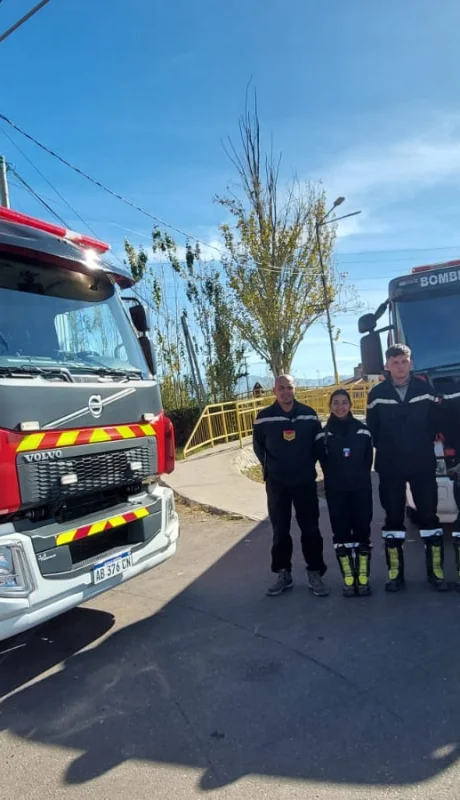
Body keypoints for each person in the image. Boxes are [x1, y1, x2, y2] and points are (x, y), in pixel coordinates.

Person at [366, 344, 445, 592]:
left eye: (404, 361)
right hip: (390, 466)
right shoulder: (376, 394)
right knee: (393, 519)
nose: (400, 366)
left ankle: (436, 573)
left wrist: (418, 444)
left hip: (422, 463)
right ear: (387, 366)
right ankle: (395, 575)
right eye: (395, 362)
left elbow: (435, 422)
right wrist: (393, 448)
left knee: (429, 517)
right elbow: (374, 430)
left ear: (411, 363)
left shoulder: (425, 390)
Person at [253, 374, 328, 598]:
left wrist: (308, 467)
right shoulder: (264, 418)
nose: (286, 392)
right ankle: (283, 573)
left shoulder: (309, 415)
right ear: (274, 391)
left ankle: (315, 573)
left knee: (311, 529)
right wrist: (271, 470)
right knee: (280, 530)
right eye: (281, 388)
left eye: (290, 387)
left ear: (296, 389)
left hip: (304, 481)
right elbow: (259, 448)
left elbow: (318, 446)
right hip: (277, 484)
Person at [316, 389, 373, 597]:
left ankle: (363, 578)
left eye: (344, 402)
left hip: (361, 491)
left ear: (350, 405)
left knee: (362, 532)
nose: (340, 407)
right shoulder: (323, 435)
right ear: (330, 406)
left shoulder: (363, 431)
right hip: (336, 493)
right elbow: (323, 462)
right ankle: (349, 579)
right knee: (341, 535)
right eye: (336, 403)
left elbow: (368, 461)